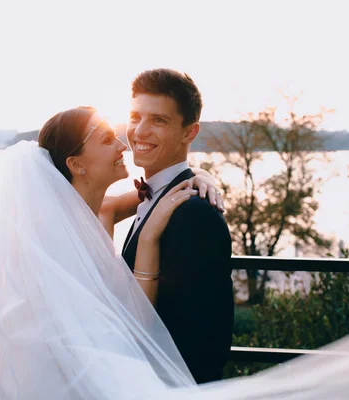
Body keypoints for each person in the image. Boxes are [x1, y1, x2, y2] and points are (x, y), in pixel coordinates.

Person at [0, 106, 226, 399]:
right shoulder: (52, 240)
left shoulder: (104, 210)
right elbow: (134, 325)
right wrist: (149, 237)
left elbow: (168, 186)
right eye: (106, 140)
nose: (122, 145)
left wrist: (203, 177)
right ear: (77, 164)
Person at [121, 68, 235, 383]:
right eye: (134, 117)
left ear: (189, 132)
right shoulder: (153, 196)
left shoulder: (195, 214)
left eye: (158, 120)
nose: (139, 131)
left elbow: (202, 339)